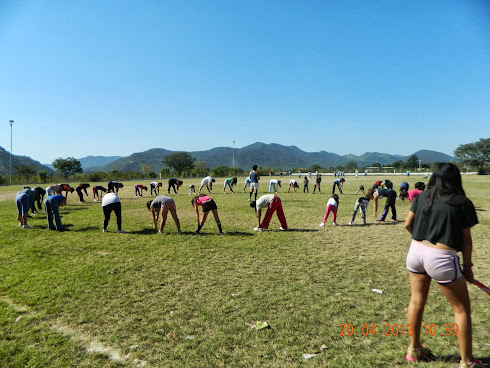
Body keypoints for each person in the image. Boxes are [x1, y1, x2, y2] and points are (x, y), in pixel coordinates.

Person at [403, 163, 482, 368]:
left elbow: (407, 224)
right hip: (442, 258)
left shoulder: (422, 196)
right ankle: (466, 361)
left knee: (416, 301)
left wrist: (422, 240)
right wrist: (468, 266)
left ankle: (414, 349)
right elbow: (466, 239)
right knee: (461, 310)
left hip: (416, 252)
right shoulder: (462, 202)